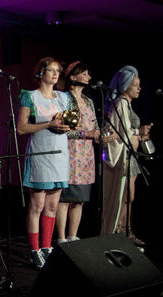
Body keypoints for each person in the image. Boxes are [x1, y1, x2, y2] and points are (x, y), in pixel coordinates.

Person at [17, 57, 71, 269]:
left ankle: (47, 247)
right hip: (40, 154)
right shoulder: (30, 96)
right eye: (51, 70)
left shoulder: (63, 98)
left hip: (59, 155)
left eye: (58, 70)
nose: (55, 74)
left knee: (52, 206)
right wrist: (49, 124)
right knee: (37, 205)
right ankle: (34, 250)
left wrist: (67, 127)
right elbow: (21, 128)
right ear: (40, 73)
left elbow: (69, 122)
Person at [55, 61, 108, 243]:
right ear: (73, 77)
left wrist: (100, 136)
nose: (89, 77)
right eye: (85, 73)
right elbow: (65, 130)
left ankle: (72, 235)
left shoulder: (88, 101)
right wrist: (87, 133)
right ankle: (61, 238)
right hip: (70, 153)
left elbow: (94, 126)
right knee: (65, 199)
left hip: (86, 155)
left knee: (80, 199)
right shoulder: (64, 98)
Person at [101, 65, 152, 245]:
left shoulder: (127, 104)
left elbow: (128, 131)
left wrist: (140, 134)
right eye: (135, 85)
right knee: (124, 195)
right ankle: (119, 232)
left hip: (131, 156)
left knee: (129, 197)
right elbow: (121, 132)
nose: (139, 88)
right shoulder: (121, 103)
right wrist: (138, 130)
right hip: (123, 156)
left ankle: (125, 231)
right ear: (125, 86)